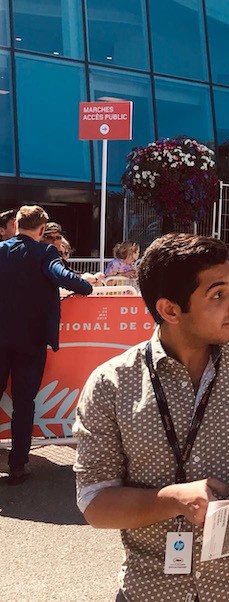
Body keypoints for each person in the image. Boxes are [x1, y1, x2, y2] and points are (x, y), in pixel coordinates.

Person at [73, 233, 229, 601]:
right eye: (217, 294)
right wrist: (172, 499)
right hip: (152, 589)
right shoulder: (112, 385)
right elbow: (95, 503)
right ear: (170, 310)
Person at [0, 205, 94, 484]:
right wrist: (86, 285)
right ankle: (18, 465)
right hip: (32, 340)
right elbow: (64, 278)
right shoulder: (46, 252)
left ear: (16, 225)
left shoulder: (2, 250)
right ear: (42, 230)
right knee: (24, 402)